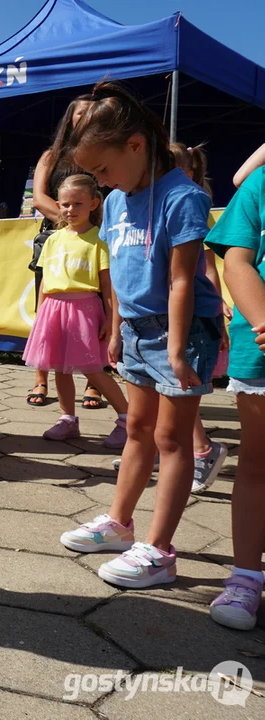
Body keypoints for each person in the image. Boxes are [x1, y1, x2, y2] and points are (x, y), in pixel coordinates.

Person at [58, 81, 222, 589]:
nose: (101, 183)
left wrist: (175, 348)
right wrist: (117, 329)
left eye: (103, 170)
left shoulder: (183, 198)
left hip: (182, 334)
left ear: (136, 145)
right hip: (135, 331)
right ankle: (119, 525)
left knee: (173, 440)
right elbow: (119, 277)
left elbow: (181, 280)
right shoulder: (117, 203)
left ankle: (160, 550)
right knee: (137, 430)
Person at [22, 174, 129, 447]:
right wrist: (39, 313)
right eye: (65, 204)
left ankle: (127, 419)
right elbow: (45, 280)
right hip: (53, 310)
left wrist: (110, 320)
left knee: (93, 369)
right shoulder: (53, 240)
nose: (70, 210)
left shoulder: (99, 240)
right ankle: (67, 419)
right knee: (60, 367)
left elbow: (108, 287)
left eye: (77, 204)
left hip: (84, 309)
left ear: (94, 203)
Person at [203, 164, 265, 630]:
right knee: (258, 462)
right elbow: (237, 260)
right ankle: (246, 576)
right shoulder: (261, 183)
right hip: (261, 344)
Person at [25, 95, 104, 411]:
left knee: (94, 312)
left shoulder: (102, 155)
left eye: (92, 113)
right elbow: (38, 196)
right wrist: (69, 220)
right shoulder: (52, 156)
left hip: (93, 240)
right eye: (80, 112)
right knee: (45, 311)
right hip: (54, 241)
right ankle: (40, 379)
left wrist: (86, 228)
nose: (86, 118)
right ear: (69, 118)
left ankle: (93, 383)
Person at [171, 142, 230, 493]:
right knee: (161, 388)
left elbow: (207, 267)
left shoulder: (192, 205)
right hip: (160, 309)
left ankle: (203, 449)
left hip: (190, 309)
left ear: (190, 172)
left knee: (180, 387)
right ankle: (168, 449)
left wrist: (218, 307)